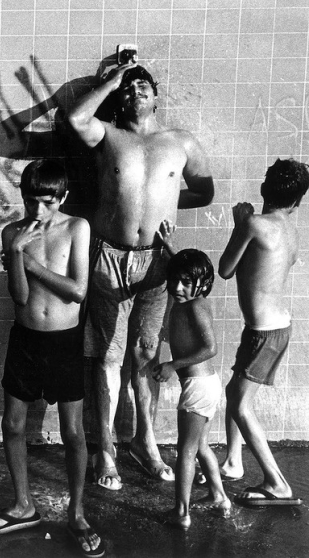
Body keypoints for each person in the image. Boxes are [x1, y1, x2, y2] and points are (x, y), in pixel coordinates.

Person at [66, 61, 214, 489]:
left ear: (156, 94)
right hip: (109, 259)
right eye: (127, 88)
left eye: (142, 86)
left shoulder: (180, 141)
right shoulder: (109, 136)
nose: (134, 93)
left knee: (146, 353)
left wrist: (165, 206)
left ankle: (146, 443)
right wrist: (111, 81)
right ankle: (107, 449)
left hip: (158, 262)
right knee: (109, 357)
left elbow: (204, 191)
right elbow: (76, 118)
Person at [0, 160, 103, 557]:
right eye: (30, 201)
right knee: (13, 424)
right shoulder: (12, 233)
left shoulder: (76, 228)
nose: (38, 211)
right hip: (26, 341)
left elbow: (77, 291)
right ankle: (24, 505)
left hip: (65, 342)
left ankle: (77, 512)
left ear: (62, 198)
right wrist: (15, 253)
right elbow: (19, 297)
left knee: (73, 434)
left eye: (47, 202)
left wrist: (30, 263)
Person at [218, 158, 307, 507]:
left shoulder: (253, 223)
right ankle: (233, 462)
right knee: (234, 391)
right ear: (298, 202)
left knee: (240, 404)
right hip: (273, 327)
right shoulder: (291, 228)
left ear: (263, 188)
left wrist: (239, 223)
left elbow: (226, 269)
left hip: (264, 333)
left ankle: (277, 483)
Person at [151, 243, 231, 530]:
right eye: (174, 281)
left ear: (203, 285)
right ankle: (219, 495)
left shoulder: (196, 305)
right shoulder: (188, 300)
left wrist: (172, 365)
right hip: (205, 386)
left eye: (186, 283)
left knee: (185, 451)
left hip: (198, 386)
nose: (178, 288)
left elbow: (210, 348)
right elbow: (185, 270)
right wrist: (168, 247)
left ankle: (181, 513)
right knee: (200, 446)